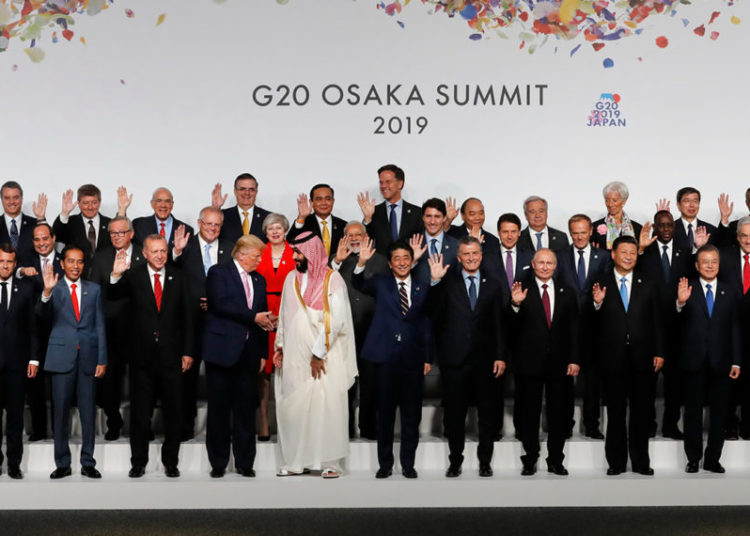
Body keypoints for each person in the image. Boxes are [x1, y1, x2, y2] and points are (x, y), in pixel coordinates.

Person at [109, 234, 194, 478]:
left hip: (172, 356)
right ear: (144, 253)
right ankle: (138, 462)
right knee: (140, 413)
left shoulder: (179, 276)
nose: (159, 256)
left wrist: (188, 351)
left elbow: (187, 317)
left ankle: (171, 462)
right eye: (154, 251)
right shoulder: (133, 276)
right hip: (141, 357)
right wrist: (115, 276)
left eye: (163, 251)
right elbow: (113, 298)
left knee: (173, 412)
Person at [273, 232, 357, 478]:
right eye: (294, 252)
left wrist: (318, 353)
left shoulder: (333, 280)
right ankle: (296, 462)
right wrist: (280, 346)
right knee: (297, 410)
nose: (295, 257)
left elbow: (337, 320)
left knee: (326, 408)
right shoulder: (291, 279)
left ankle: (331, 463)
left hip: (325, 358)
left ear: (312, 253)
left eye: (299, 252)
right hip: (295, 357)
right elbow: (285, 315)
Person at [353, 238, 432, 479]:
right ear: (390, 263)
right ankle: (385, 464)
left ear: (412, 261)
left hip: (413, 359)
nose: (402, 262)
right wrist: (361, 263)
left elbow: (426, 324)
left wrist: (428, 357)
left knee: (411, 416)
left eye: (406, 258)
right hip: (385, 358)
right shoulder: (380, 283)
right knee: (385, 414)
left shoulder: (422, 286)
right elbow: (358, 283)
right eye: (397, 258)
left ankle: (408, 464)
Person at [428, 236, 506, 478]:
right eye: (466, 254)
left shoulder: (493, 284)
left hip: (485, 361)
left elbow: (499, 323)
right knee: (454, 416)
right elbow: (433, 314)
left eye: (475, 253)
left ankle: (485, 463)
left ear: (481, 256)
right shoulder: (446, 282)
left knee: (487, 416)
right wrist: (435, 282)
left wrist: (500, 356)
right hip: (454, 360)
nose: (471, 258)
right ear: (459, 258)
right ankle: (455, 462)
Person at [591, 236, 664, 476]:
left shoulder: (649, 282)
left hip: (643, 357)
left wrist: (660, 352)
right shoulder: (600, 282)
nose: (629, 257)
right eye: (624, 252)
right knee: (615, 413)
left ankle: (641, 462)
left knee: (641, 413)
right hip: (612, 358)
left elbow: (657, 321)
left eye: (633, 252)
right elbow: (589, 322)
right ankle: (616, 462)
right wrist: (597, 304)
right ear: (613, 254)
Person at [202, 234, 271, 478]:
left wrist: (263, 353)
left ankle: (245, 463)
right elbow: (221, 303)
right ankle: (218, 463)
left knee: (245, 411)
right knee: (218, 411)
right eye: (256, 256)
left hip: (249, 354)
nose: (259, 260)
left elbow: (263, 318)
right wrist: (252, 317)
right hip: (221, 352)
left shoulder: (259, 280)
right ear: (242, 255)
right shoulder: (218, 273)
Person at [508, 248, 580, 476]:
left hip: (560, 364)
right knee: (529, 414)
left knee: (559, 414)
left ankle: (555, 460)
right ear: (533, 264)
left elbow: (574, 329)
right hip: (529, 363)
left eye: (550, 263)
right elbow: (509, 328)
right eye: (541, 263)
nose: (545, 267)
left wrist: (574, 359)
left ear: (555, 266)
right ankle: (530, 458)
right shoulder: (520, 290)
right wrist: (515, 305)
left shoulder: (567, 292)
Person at [38, 246, 107, 479]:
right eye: (71, 261)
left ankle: (88, 462)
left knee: (88, 413)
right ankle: (62, 463)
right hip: (60, 358)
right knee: (60, 413)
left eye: (79, 261)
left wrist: (102, 358)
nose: (75, 266)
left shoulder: (94, 290)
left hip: (88, 358)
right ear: (62, 263)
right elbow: (40, 316)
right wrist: (46, 293)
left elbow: (99, 326)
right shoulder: (53, 288)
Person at [677, 245, 741, 473]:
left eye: (714, 261)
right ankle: (693, 458)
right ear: (697, 265)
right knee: (692, 413)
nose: (710, 265)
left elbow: (735, 328)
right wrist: (680, 303)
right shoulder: (687, 289)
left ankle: (713, 459)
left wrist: (736, 361)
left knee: (719, 413)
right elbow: (674, 325)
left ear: (719, 265)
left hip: (721, 361)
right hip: (693, 361)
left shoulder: (729, 291)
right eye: (705, 261)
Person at [172, 206, 233, 441]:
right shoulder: (184, 246)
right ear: (199, 223)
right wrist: (176, 252)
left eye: (217, 225)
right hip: (189, 323)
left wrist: (218, 301)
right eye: (208, 224)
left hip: (221, 322)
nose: (213, 228)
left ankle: (220, 430)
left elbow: (235, 281)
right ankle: (185, 427)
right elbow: (170, 273)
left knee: (221, 379)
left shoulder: (230, 248)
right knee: (187, 377)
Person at [331, 221, 390, 439]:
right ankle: (343, 428)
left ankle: (368, 427)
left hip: (372, 330)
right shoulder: (336, 259)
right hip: (342, 331)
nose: (355, 238)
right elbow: (322, 284)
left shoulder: (380, 260)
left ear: (367, 237)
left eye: (359, 234)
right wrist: (337, 261)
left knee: (370, 381)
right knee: (344, 381)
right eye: (350, 235)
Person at [636, 211, 692, 439]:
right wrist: (640, 249)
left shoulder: (685, 252)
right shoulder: (645, 251)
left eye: (670, 225)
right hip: (649, 327)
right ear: (655, 228)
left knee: (674, 382)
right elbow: (630, 272)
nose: (667, 229)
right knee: (648, 381)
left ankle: (671, 425)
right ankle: (648, 424)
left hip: (678, 326)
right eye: (662, 226)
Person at [89, 216, 146, 441]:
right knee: (110, 381)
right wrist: (114, 277)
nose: (116, 237)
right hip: (110, 329)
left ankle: (142, 425)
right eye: (112, 233)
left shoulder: (144, 253)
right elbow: (94, 292)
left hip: (140, 328)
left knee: (141, 381)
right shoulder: (101, 257)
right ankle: (113, 423)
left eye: (121, 232)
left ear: (131, 233)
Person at [556, 214, 610, 439]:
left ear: (590, 232)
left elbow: (608, 289)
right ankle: (564, 423)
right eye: (575, 233)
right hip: (565, 327)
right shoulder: (560, 256)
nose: (579, 237)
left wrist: (598, 304)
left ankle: (592, 425)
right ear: (570, 233)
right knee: (564, 380)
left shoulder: (604, 257)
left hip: (593, 326)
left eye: (583, 232)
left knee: (592, 381)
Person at [16, 223, 63, 441]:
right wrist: (21, 271)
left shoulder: (65, 260)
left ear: (53, 238)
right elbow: (11, 270)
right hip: (32, 331)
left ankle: (60, 430)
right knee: (34, 383)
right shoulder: (26, 260)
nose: (42, 243)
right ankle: (39, 430)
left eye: (45, 238)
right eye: (37, 239)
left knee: (59, 385)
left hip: (60, 328)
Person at [0, 244, 39, 479]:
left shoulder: (25, 289)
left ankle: (14, 463)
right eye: (1, 261)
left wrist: (34, 359)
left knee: (15, 417)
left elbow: (33, 327)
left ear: (15, 264)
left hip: (17, 363)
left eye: (9, 262)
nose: (5, 265)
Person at [255, 213, 295, 441]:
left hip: (290, 311)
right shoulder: (259, 252)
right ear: (266, 232)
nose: (275, 231)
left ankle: (287, 423)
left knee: (288, 368)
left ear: (285, 229)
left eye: (279, 227)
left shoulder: (295, 252)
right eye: (271, 228)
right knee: (264, 371)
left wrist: (285, 316)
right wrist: (262, 315)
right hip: (263, 313)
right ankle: (263, 420)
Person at [52, 184, 130, 276]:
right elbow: (56, 236)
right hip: (78, 277)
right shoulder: (70, 222)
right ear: (79, 204)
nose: (90, 207)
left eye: (94, 202)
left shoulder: (109, 223)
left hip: (106, 276)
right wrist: (65, 213)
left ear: (99, 203)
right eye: (86, 203)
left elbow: (122, 237)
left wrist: (122, 210)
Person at [718, 216, 750, 439]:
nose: (748, 240)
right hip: (727, 328)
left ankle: (748, 426)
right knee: (729, 379)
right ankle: (729, 424)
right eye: (744, 236)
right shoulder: (724, 257)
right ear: (737, 237)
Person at [357, 164, 423, 250]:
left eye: (388, 182)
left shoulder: (417, 213)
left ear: (400, 184)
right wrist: (367, 219)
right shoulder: (374, 212)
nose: (383, 186)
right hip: (381, 258)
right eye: (381, 182)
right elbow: (367, 242)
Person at [286, 184, 347, 257]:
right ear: (311, 202)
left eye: (328, 199)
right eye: (319, 199)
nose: (324, 203)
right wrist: (301, 218)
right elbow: (290, 243)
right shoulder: (304, 223)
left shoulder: (344, 225)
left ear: (333, 201)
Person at [212, 173, 271, 243]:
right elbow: (208, 234)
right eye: (242, 189)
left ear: (256, 192)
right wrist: (215, 208)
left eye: (251, 189)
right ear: (235, 191)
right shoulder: (222, 215)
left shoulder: (268, 218)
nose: (247, 193)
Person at [132, 187, 194, 252]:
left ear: (172, 205)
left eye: (167, 201)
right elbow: (127, 243)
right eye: (159, 201)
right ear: (152, 204)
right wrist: (124, 209)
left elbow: (188, 257)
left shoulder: (186, 231)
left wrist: (177, 251)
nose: (163, 205)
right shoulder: (139, 225)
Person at [413, 198, 459, 283]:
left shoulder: (456, 245)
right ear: (423, 217)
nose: (432, 222)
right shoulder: (411, 243)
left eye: (437, 216)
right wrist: (412, 261)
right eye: (428, 216)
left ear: (444, 218)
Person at [444, 197, 501, 265]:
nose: (477, 217)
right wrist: (447, 221)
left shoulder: (493, 241)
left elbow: (493, 267)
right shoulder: (452, 234)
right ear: (463, 216)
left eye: (481, 213)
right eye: (472, 214)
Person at [0, 181, 46, 257]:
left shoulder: (35, 224)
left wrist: (41, 218)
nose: (12, 202)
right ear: (1, 200)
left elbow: (47, 247)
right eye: (7, 198)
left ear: (22, 199)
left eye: (16, 197)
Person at [591, 181, 643, 250]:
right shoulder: (594, 227)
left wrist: (641, 248)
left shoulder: (637, 228)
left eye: (614, 200)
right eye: (607, 200)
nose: (610, 204)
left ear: (624, 201)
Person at [669, 187, 716, 253]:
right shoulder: (669, 229)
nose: (691, 205)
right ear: (678, 205)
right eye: (687, 201)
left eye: (695, 201)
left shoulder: (711, 230)